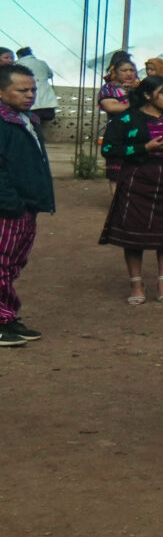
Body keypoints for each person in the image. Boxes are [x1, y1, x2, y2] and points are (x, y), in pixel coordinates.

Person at [98, 74, 163, 304]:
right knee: (134, 233)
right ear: (146, 95)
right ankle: (136, 285)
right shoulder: (126, 119)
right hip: (137, 178)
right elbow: (110, 148)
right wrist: (145, 147)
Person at [0, 62, 54, 346]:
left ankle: (7, 317)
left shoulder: (27, 120)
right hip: (8, 208)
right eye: (22, 90)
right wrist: (12, 203)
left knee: (12, 265)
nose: (30, 95)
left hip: (26, 206)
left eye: (32, 89)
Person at [97, 58, 139, 177]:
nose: (129, 73)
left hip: (139, 134)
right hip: (117, 134)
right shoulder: (108, 89)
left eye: (131, 70)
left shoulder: (140, 88)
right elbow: (111, 107)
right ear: (115, 72)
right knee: (116, 173)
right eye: (124, 70)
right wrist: (136, 104)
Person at [16, 48, 57, 128]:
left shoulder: (18, 64)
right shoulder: (42, 63)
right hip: (47, 102)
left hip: (30, 101)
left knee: (29, 124)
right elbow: (50, 74)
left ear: (19, 55)